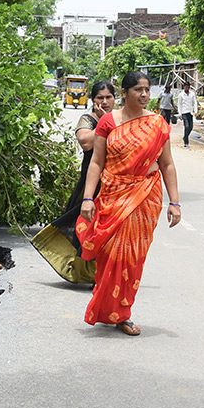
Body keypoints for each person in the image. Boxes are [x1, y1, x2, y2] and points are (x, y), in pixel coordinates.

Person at [76, 71, 181, 336]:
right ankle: (106, 305)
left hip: (145, 195)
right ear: (124, 93)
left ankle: (123, 313)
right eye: (138, 90)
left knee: (132, 257)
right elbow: (97, 162)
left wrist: (175, 202)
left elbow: (167, 164)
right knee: (109, 254)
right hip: (112, 194)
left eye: (147, 90)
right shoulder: (108, 122)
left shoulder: (157, 123)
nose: (144, 95)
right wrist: (88, 198)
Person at [30, 81, 116, 284]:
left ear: (115, 99)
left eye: (108, 97)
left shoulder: (120, 119)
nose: (104, 102)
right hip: (91, 184)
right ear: (93, 101)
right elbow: (86, 142)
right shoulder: (88, 119)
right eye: (99, 98)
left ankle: (103, 273)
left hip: (114, 183)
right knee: (85, 227)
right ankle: (86, 271)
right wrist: (106, 123)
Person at [176, 83, 197, 148]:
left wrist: (195, 111)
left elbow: (194, 102)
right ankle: (186, 142)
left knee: (191, 127)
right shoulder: (181, 95)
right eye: (186, 87)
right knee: (187, 126)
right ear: (184, 87)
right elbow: (179, 104)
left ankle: (185, 137)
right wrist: (180, 113)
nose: (187, 88)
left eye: (188, 87)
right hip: (184, 112)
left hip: (190, 112)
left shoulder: (192, 94)